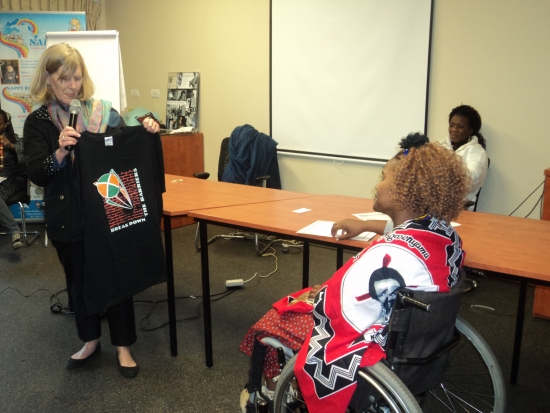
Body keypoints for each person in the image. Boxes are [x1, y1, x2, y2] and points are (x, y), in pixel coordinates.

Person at [239, 133, 469, 413]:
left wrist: (321, 294)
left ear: (402, 190)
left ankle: (272, 393)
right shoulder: (443, 234)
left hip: (373, 344)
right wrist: (367, 227)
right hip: (414, 337)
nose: (377, 184)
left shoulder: (388, 254)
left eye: (383, 177)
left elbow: (337, 307)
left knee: (273, 320)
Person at [23, 43, 160, 378]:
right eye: (63, 78)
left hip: (105, 211)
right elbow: (37, 173)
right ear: (48, 80)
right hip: (67, 218)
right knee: (80, 282)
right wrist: (59, 151)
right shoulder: (37, 122)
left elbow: (130, 125)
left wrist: (147, 119)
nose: (72, 85)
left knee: (117, 273)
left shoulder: (99, 111)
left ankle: (124, 347)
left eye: (77, 77)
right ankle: (90, 340)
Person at [442, 104, 488, 210]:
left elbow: (467, 183)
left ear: (470, 130)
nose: (454, 130)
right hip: (433, 209)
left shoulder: (478, 153)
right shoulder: (438, 146)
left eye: (460, 126)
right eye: (451, 125)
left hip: (460, 210)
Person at [0, 109, 24, 250]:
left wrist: (11, 146)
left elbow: (26, 161)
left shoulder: (15, 139)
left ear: (6, 125)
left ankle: (14, 232)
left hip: (9, 181)